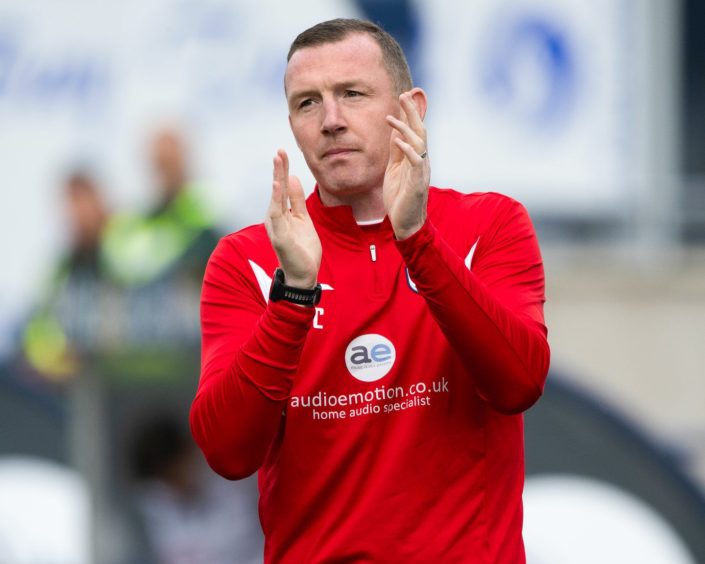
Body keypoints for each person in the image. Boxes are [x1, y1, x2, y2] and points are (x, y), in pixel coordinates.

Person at [190, 18, 550, 563]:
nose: (331, 121)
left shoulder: (490, 224)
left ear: (412, 108)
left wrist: (418, 242)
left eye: (352, 94)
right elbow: (227, 451)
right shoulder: (251, 260)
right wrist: (294, 295)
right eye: (307, 103)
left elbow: (519, 383)